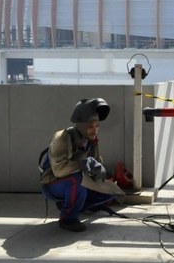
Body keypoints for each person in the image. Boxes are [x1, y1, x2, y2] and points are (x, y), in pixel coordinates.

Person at [39, 98, 121, 232]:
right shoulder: (62, 137)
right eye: (90, 126)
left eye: (96, 126)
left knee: (111, 190)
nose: (94, 130)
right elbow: (59, 170)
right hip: (53, 183)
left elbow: (96, 164)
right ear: (82, 125)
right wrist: (83, 164)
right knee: (76, 180)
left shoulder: (91, 140)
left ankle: (75, 204)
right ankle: (67, 219)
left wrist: (101, 173)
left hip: (74, 180)